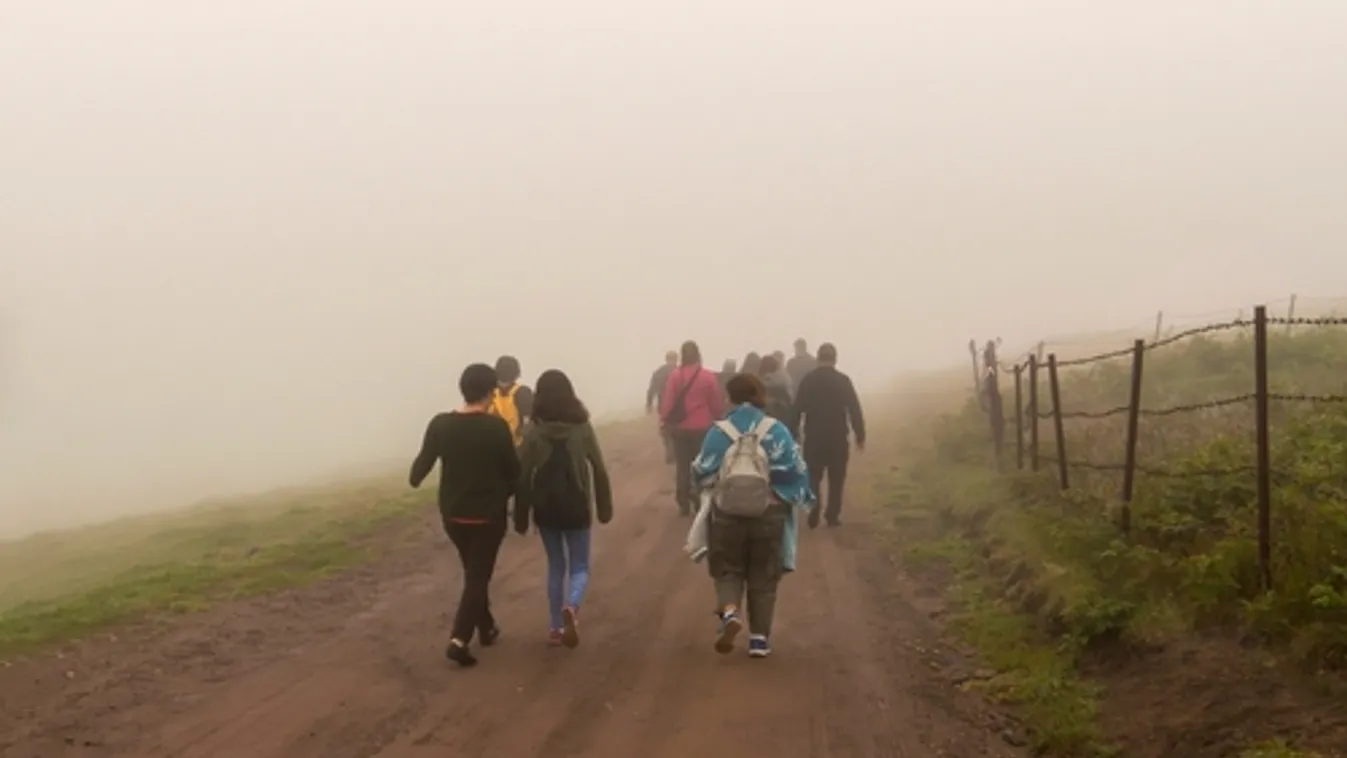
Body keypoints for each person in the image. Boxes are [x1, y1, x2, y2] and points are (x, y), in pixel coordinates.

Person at [692, 373, 814, 658]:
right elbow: (796, 470)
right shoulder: (777, 430)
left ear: (730, 398)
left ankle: (731, 614)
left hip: (727, 513)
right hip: (768, 513)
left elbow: (702, 470)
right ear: (760, 396)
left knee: (727, 569)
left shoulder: (719, 431)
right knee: (764, 575)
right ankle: (759, 639)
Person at [410, 362, 520, 667]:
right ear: (491, 392)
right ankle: (459, 639)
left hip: (453, 516)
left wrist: (420, 476)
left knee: (474, 575)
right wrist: (505, 494)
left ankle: (486, 628)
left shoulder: (440, 424)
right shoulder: (495, 428)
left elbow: (418, 471)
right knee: (477, 578)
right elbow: (514, 472)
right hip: (487, 517)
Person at [515, 369, 613, 648]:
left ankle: (556, 628)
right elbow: (599, 468)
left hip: (545, 507)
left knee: (556, 565)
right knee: (580, 565)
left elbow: (521, 476)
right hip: (577, 504)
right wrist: (605, 508)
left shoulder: (534, 431)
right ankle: (572, 606)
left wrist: (521, 517)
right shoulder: (582, 427)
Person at [791, 343, 865, 528]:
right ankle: (832, 516)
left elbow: (797, 408)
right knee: (837, 478)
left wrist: (793, 432)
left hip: (814, 436)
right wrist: (860, 434)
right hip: (837, 436)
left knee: (813, 476)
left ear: (818, 358)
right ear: (835, 359)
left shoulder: (808, 380)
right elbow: (854, 408)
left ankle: (814, 507)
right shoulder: (843, 380)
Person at [660, 340, 727, 517]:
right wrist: (719, 417)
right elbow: (716, 403)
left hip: (680, 429)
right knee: (702, 464)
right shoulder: (707, 376)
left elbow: (668, 402)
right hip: (702, 428)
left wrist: (665, 421)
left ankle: (683, 500)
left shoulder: (675, 376)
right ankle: (699, 497)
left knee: (682, 465)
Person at [489, 355, 533, 448]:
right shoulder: (523, 392)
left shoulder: (489, 392)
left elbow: (527, 423)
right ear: (516, 374)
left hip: (511, 446)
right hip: (511, 447)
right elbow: (528, 423)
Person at [646, 351, 678, 463]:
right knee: (678, 428)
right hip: (678, 406)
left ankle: (669, 449)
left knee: (666, 429)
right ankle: (675, 450)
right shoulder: (680, 371)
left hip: (663, 406)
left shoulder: (658, 372)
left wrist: (649, 404)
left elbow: (651, 389)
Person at [756, 354, 796, 436]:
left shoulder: (756, 385)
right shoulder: (783, 383)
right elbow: (789, 405)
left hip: (760, 425)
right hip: (780, 423)